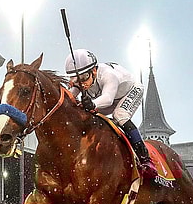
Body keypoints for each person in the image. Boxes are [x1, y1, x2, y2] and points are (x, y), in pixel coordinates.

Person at [65, 49, 157, 179]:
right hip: (108, 98)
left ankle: (145, 158)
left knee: (120, 115)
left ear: (94, 71)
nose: (83, 84)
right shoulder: (83, 78)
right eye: (78, 80)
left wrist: (91, 104)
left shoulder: (108, 75)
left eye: (85, 78)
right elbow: (69, 100)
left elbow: (107, 98)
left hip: (129, 92)